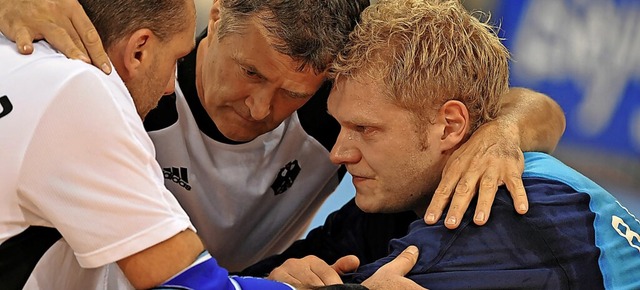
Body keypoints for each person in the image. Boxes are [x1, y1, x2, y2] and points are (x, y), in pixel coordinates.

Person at [0, 0, 567, 273]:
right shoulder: (132, 82)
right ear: (217, 17)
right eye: (250, 72)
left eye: (292, 93)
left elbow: (536, 106)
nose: (261, 107)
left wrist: (501, 131)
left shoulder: (335, 108)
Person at [267, 0, 640, 289]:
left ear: (449, 127)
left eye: (365, 128)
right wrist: (279, 276)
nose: (338, 153)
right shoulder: (402, 196)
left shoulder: (499, 212)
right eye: (341, 125)